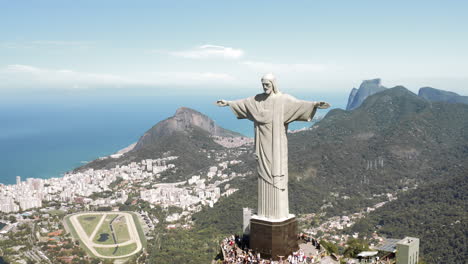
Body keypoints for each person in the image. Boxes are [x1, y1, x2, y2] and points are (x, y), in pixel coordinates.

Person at [217, 73, 330, 219]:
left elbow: (299, 105)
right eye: (263, 84)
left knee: (276, 172)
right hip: (263, 144)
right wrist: (228, 103)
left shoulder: (283, 100)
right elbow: (244, 103)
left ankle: (277, 214)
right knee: (264, 172)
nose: (265, 87)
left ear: (274, 84)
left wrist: (315, 104)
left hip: (277, 145)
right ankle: (265, 213)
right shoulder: (257, 100)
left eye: (267, 84)